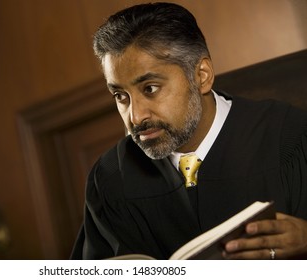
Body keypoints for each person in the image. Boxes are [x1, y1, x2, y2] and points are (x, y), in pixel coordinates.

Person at [71, 2, 307, 260]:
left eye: (150, 88)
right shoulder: (111, 179)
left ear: (202, 75)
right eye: (120, 96)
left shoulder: (291, 139)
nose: (135, 116)